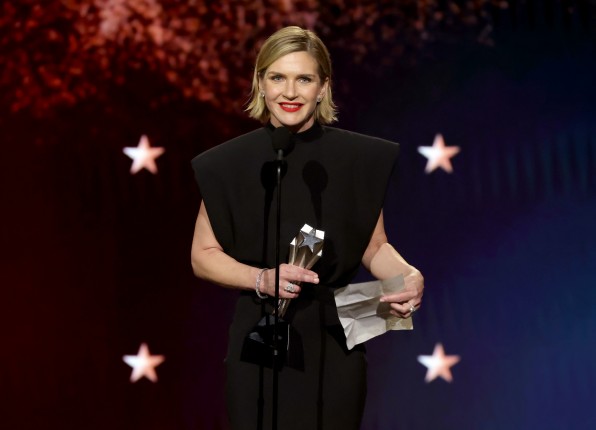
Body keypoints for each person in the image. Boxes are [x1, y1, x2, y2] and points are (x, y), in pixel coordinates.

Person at [191, 26, 424, 430]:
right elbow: (203, 255)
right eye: (277, 77)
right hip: (260, 343)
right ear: (260, 83)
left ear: (323, 87)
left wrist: (406, 276)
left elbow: (374, 246)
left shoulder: (357, 159)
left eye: (304, 79)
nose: (290, 92)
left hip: (335, 340)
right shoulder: (227, 164)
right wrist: (261, 278)